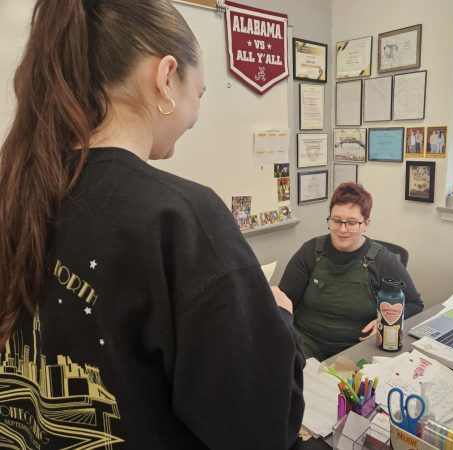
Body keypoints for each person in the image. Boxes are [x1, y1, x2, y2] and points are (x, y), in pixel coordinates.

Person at [0, 1, 303, 449]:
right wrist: (277, 318)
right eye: (198, 93)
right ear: (165, 78)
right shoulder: (182, 217)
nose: (196, 114)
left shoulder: (17, 190)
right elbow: (262, 428)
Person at [279, 183, 423, 361]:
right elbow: (283, 301)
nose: (342, 229)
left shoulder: (383, 260)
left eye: (352, 222)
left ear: (366, 224)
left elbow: (414, 304)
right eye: (336, 221)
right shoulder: (311, 252)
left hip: (356, 347)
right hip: (306, 343)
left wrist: (384, 321)